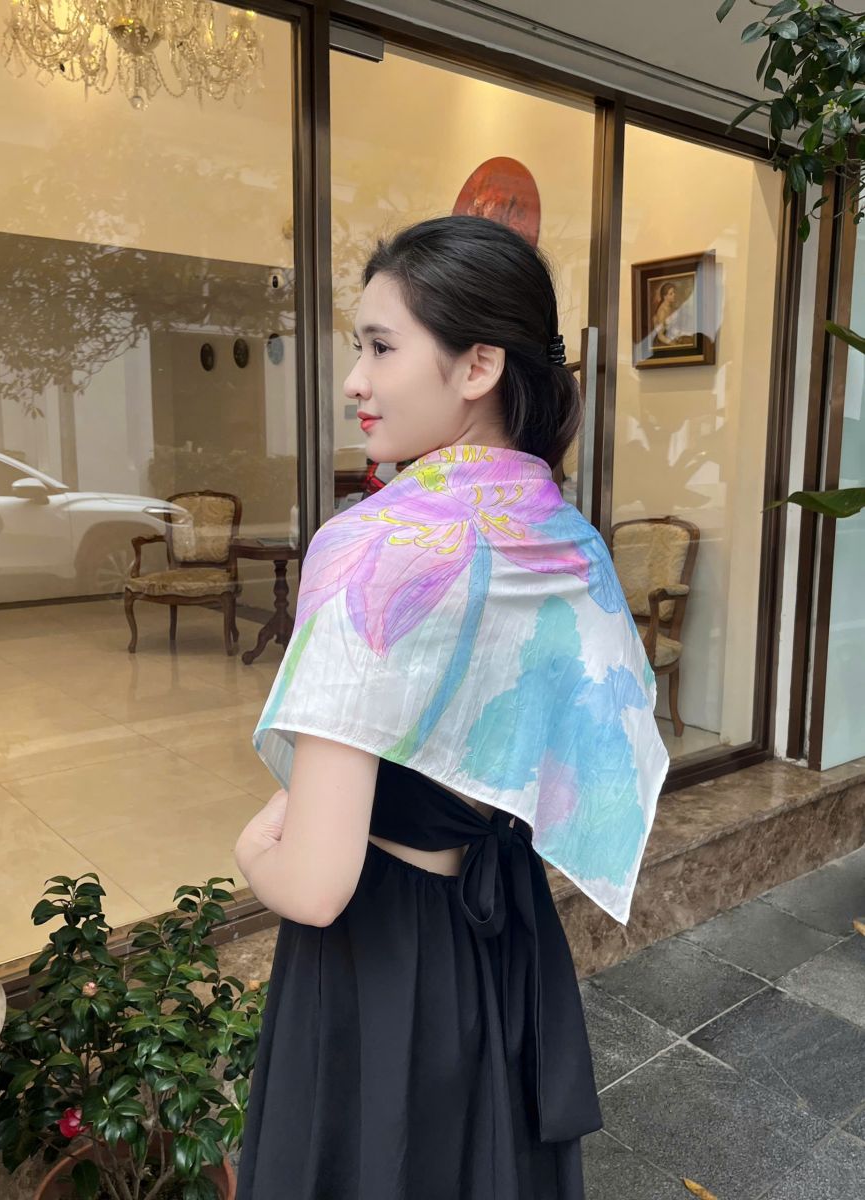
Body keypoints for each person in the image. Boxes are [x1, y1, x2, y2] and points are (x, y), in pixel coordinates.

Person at [234, 214, 668, 1199]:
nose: (356, 380)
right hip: (500, 944)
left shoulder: (374, 547)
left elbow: (316, 884)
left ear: (479, 365)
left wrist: (255, 848)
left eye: (381, 347)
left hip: (376, 959)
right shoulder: (567, 543)